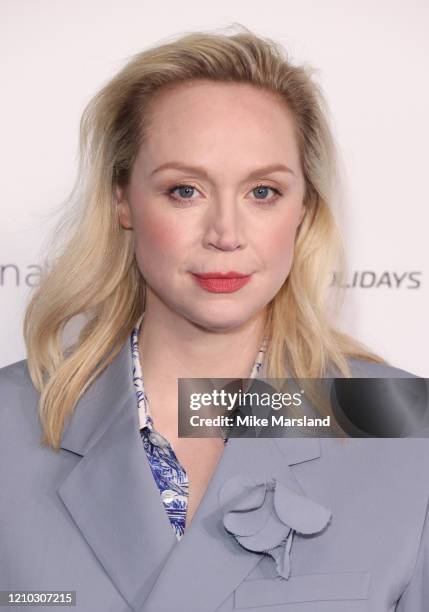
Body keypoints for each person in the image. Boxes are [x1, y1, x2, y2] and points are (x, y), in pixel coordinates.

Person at [0, 24, 427, 612]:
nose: (225, 235)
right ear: (122, 199)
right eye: (184, 190)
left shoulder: (402, 426)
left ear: (304, 208)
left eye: (262, 193)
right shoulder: (8, 419)